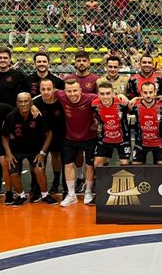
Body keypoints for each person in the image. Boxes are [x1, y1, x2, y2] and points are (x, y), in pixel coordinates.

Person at [1, 93, 54, 207]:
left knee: (39, 169)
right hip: (16, 151)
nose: (23, 104)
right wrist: (8, 153)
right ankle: (21, 196)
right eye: (20, 101)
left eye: (26, 101)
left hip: (35, 150)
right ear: (17, 103)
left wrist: (42, 153)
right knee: (13, 173)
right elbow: (4, 136)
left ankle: (45, 195)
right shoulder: (11, 116)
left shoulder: (37, 115)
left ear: (31, 103)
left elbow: (49, 134)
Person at [54, 78, 99, 206]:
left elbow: (108, 97)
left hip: (90, 137)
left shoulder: (91, 97)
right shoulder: (60, 96)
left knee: (90, 166)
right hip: (70, 138)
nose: (72, 94)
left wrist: (123, 96)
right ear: (64, 91)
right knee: (68, 165)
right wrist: (33, 105)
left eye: (75, 90)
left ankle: (88, 192)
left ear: (80, 90)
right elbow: (47, 93)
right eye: (69, 91)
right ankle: (71, 194)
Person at [34, 79, 66, 194]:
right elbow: (25, 102)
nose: (46, 92)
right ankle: (39, 186)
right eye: (43, 89)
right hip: (43, 135)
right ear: (39, 90)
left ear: (54, 89)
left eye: (49, 89)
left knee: (61, 158)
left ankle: (63, 183)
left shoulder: (61, 101)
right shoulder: (36, 102)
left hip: (62, 133)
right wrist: (32, 106)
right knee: (41, 158)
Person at [92, 81, 131, 167]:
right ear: (98, 94)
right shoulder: (94, 104)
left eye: (108, 93)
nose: (105, 96)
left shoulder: (122, 102)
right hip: (105, 138)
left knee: (125, 165)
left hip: (122, 139)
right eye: (102, 94)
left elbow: (135, 105)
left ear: (113, 93)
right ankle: (105, 164)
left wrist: (124, 96)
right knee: (97, 164)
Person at [130, 82, 162, 165]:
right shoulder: (135, 106)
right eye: (145, 92)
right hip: (141, 143)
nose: (148, 95)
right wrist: (135, 98)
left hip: (158, 143)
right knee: (135, 165)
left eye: (150, 92)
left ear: (155, 92)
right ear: (141, 93)